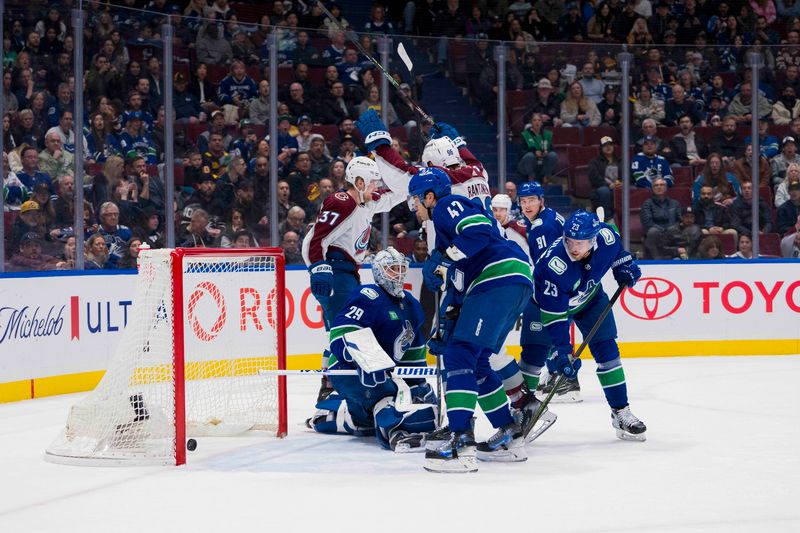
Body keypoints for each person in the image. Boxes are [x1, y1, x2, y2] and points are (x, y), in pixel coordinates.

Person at [407, 167, 533, 473]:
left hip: (496, 279)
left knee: (459, 355)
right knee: (475, 361)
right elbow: (460, 294)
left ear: (429, 196)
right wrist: (444, 329)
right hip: (510, 281)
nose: (413, 206)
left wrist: (446, 258)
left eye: (415, 199)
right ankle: (509, 434)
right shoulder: (446, 235)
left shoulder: (447, 207)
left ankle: (460, 441)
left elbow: (477, 232)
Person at [307, 246, 436, 452]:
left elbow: (413, 348)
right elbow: (342, 333)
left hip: (382, 373)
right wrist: (365, 360)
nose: (399, 275)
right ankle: (395, 432)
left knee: (417, 398)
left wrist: (416, 382)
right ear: (378, 272)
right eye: (392, 269)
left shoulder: (411, 303)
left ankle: (339, 415)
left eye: (402, 269)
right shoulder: (368, 296)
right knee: (384, 395)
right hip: (348, 369)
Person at [303, 154, 409, 403]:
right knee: (345, 332)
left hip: (349, 274)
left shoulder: (366, 203)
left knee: (345, 331)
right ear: (359, 183)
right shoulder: (342, 202)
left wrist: (384, 153)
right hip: (336, 275)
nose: (377, 187)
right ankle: (331, 389)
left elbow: (400, 192)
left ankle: (330, 387)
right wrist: (318, 268)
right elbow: (315, 240)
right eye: (373, 182)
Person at [535, 210, 646, 441]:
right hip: (551, 306)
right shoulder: (553, 266)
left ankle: (620, 412)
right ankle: (519, 415)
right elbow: (555, 319)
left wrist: (624, 267)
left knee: (609, 353)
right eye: (570, 241)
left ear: (593, 239)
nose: (574, 248)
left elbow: (617, 252)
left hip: (591, 300)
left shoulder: (606, 237)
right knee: (533, 358)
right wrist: (564, 352)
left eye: (580, 242)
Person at [641, 177, 683, 259]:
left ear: (666, 188)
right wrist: (663, 231)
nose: (659, 187)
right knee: (653, 231)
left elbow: (679, 220)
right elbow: (647, 222)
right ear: (652, 188)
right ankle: (658, 260)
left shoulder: (675, 203)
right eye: (656, 185)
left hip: (672, 232)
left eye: (662, 185)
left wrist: (671, 229)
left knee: (676, 230)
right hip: (656, 234)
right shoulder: (647, 204)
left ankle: (678, 257)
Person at [588, 136, 622, 220]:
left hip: (619, 186)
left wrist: (623, 183)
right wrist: (608, 185)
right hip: (602, 187)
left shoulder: (620, 160)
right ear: (601, 148)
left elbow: (627, 175)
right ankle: (608, 219)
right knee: (604, 191)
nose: (608, 147)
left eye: (610, 145)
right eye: (605, 145)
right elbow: (594, 178)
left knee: (631, 189)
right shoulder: (594, 162)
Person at [517, 113, 557, 183]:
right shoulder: (525, 134)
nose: (537, 122)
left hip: (542, 162)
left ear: (542, 123)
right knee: (529, 156)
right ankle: (531, 177)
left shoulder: (547, 134)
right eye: (534, 120)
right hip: (528, 164)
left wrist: (547, 152)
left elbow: (551, 149)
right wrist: (534, 152)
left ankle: (546, 177)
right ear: (531, 122)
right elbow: (520, 152)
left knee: (553, 155)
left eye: (539, 120)